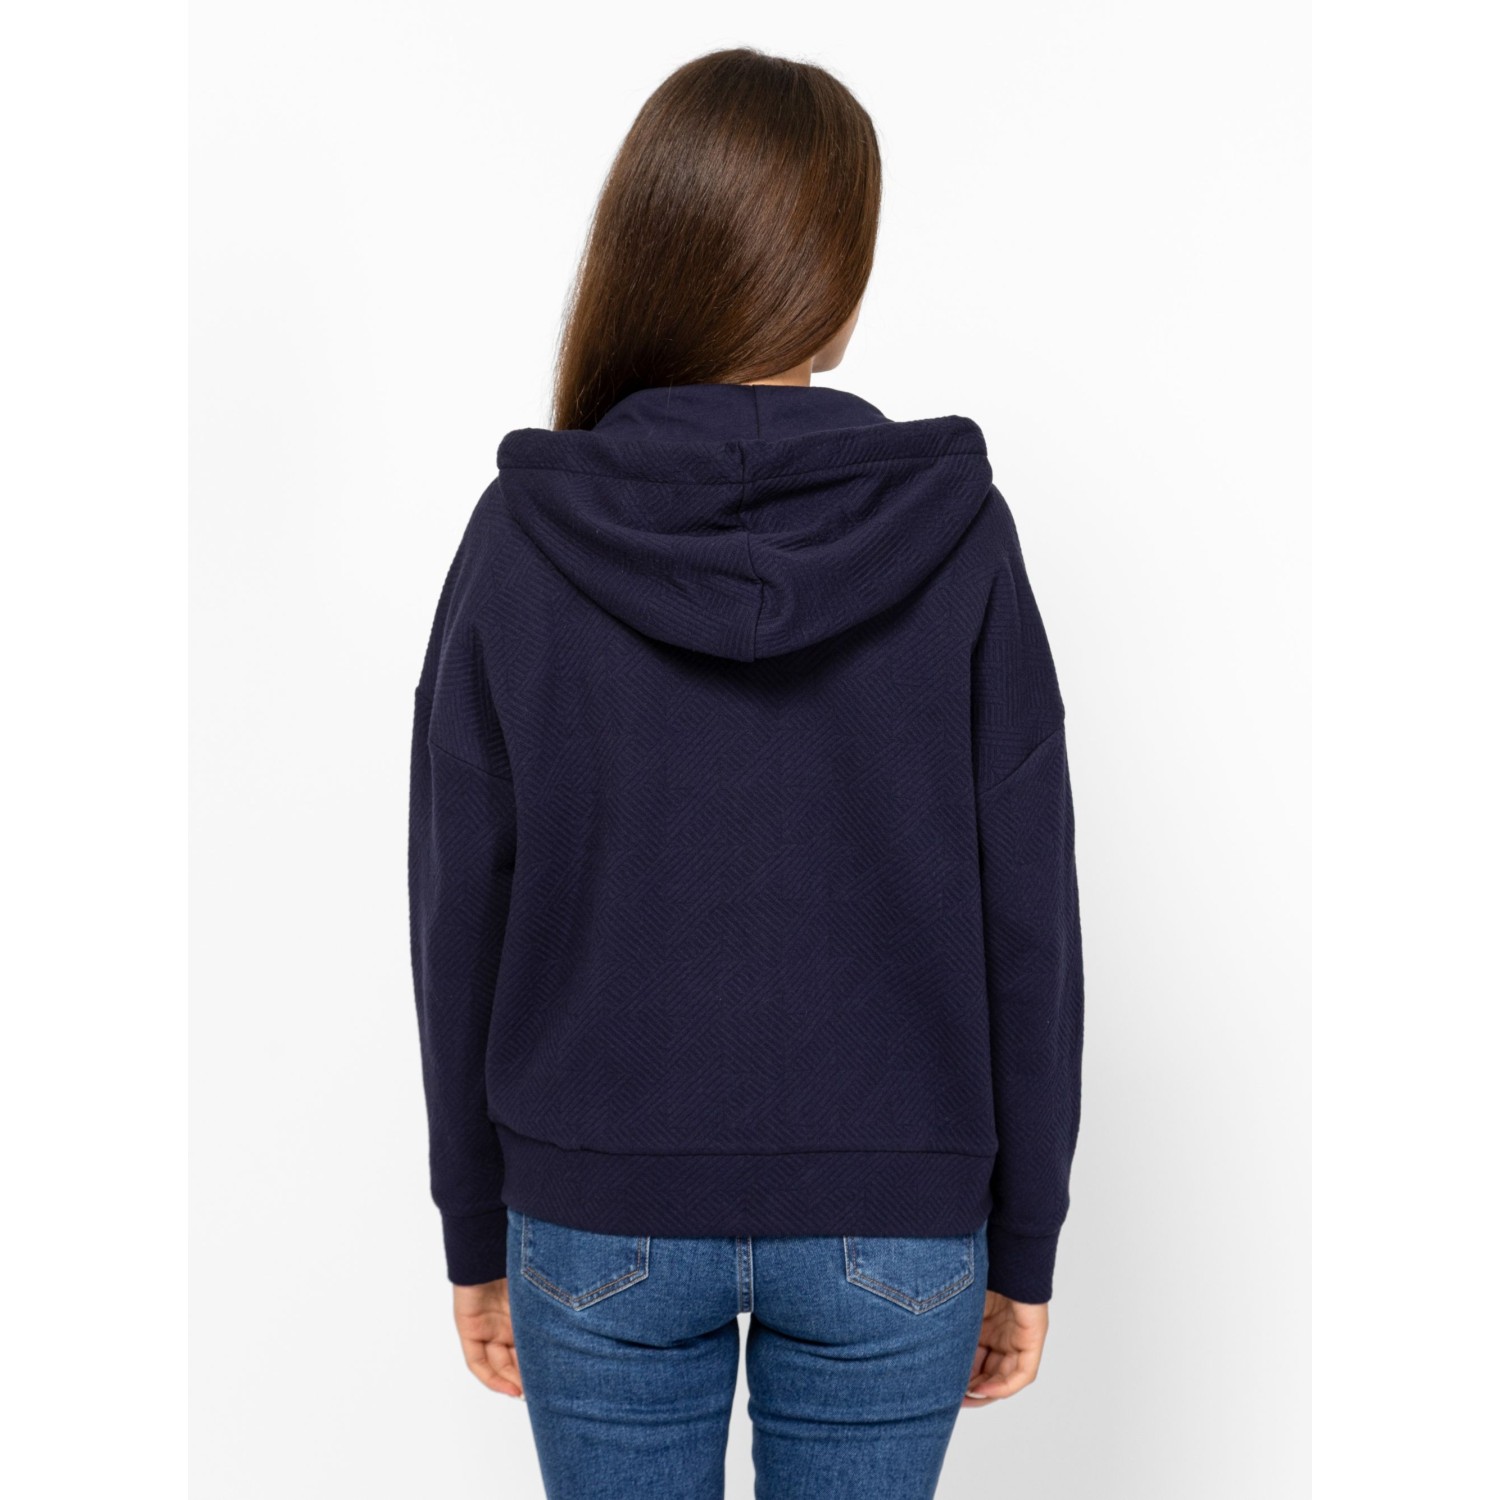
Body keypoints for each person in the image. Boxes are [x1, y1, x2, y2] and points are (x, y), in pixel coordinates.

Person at [407, 45, 1085, 1500]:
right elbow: (1029, 912)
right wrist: (1026, 1235)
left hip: (596, 1212)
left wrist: (474, 1219)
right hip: (895, 1219)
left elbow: (459, 904)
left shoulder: (523, 537)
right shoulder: (958, 534)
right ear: (836, 277)